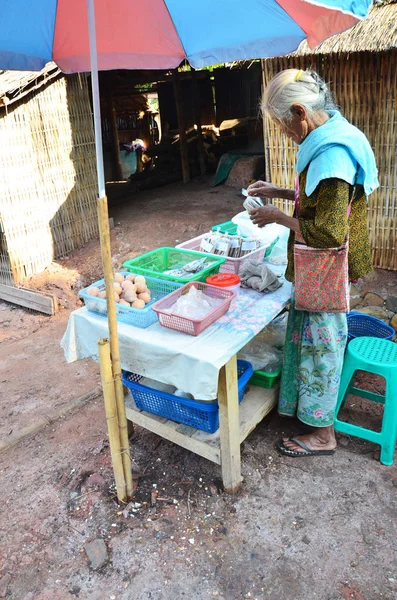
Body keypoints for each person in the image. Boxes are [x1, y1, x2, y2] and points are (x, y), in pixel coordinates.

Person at [247, 69, 378, 457]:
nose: (286, 134)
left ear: (301, 112)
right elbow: (318, 201)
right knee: (311, 338)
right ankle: (305, 410)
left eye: (284, 125)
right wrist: (281, 192)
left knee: (322, 347)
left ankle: (323, 435)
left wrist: (277, 217)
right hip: (324, 268)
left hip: (328, 269)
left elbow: (329, 234)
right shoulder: (334, 131)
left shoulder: (333, 155)